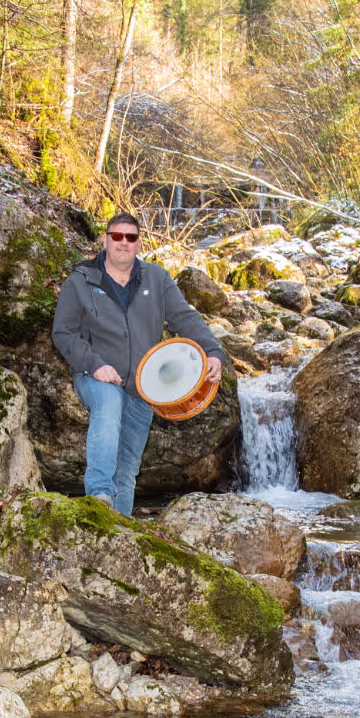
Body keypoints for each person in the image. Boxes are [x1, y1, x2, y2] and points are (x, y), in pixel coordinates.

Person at [50, 212, 225, 516]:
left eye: (131, 238)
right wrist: (94, 364)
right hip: (97, 375)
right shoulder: (80, 280)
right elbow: (63, 333)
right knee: (108, 404)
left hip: (144, 386)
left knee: (128, 468)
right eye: (117, 236)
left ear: (139, 243)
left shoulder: (157, 279)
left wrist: (212, 351)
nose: (123, 243)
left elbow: (185, 318)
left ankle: (120, 531)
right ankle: (99, 495)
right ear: (105, 239)